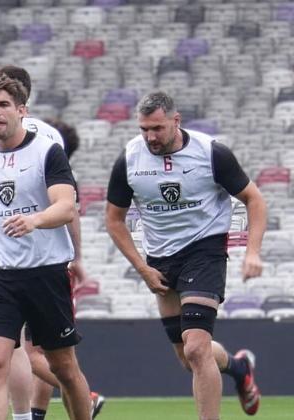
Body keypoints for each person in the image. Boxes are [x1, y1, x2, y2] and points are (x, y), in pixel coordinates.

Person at [105, 91, 265, 419]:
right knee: (187, 357)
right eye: (144, 129)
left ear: (176, 121)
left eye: (157, 129)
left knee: (195, 347)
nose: (150, 136)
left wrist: (253, 252)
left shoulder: (211, 154)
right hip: (161, 260)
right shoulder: (130, 159)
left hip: (204, 251)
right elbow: (113, 219)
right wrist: (142, 269)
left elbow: (254, 199)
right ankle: (239, 368)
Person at [0, 75, 92, 420]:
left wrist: (35, 220)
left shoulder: (47, 152)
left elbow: (67, 207)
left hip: (46, 272)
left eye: (3, 105)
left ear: (22, 110)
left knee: (64, 368)